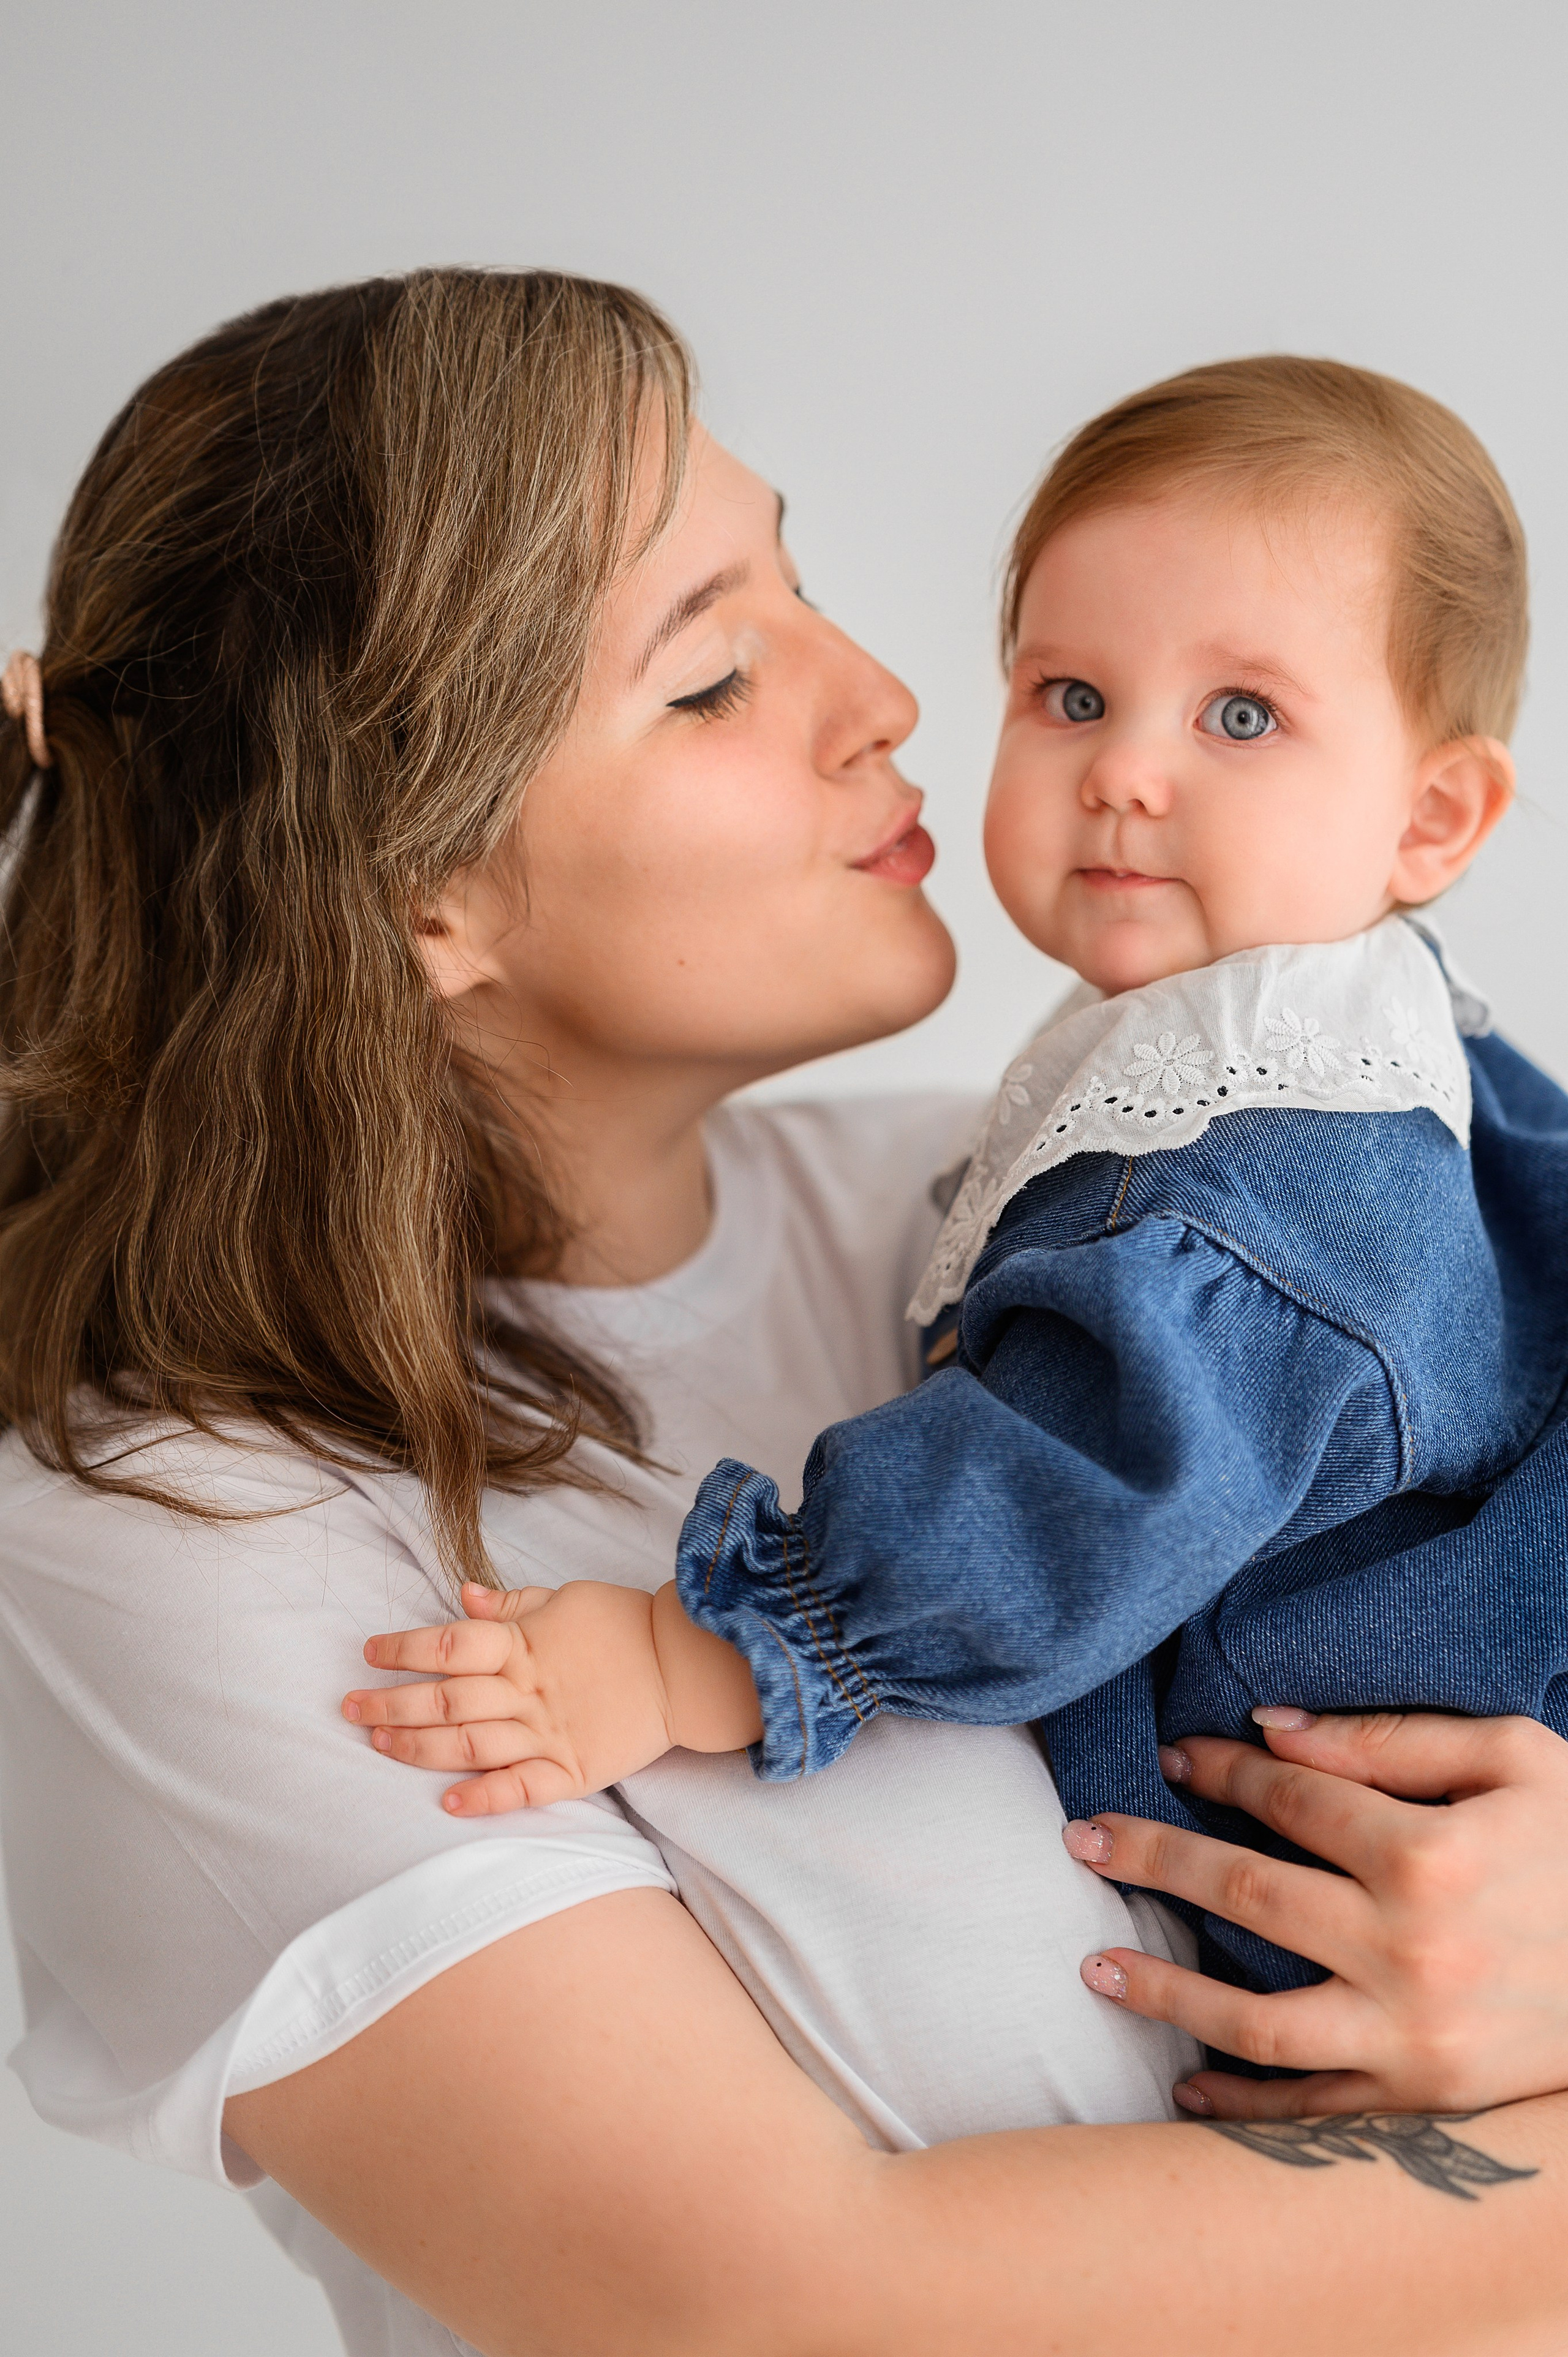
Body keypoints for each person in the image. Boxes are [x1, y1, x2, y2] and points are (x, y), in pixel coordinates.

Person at [3, 274, 1568, 2357]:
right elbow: (780, 2313)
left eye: (801, 576)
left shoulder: (1036, 1211)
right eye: (719, 672)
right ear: (419, 892)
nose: (889, 694)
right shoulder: (166, 1526)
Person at [374, 360, 1568, 2004]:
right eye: (1072, 697)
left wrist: (713, 1646)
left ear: (1435, 818)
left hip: (1338, 1875)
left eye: (1240, 717)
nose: (1124, 776)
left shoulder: (1256, 1180)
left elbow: (1079, 1480)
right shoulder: (1313, 1052)